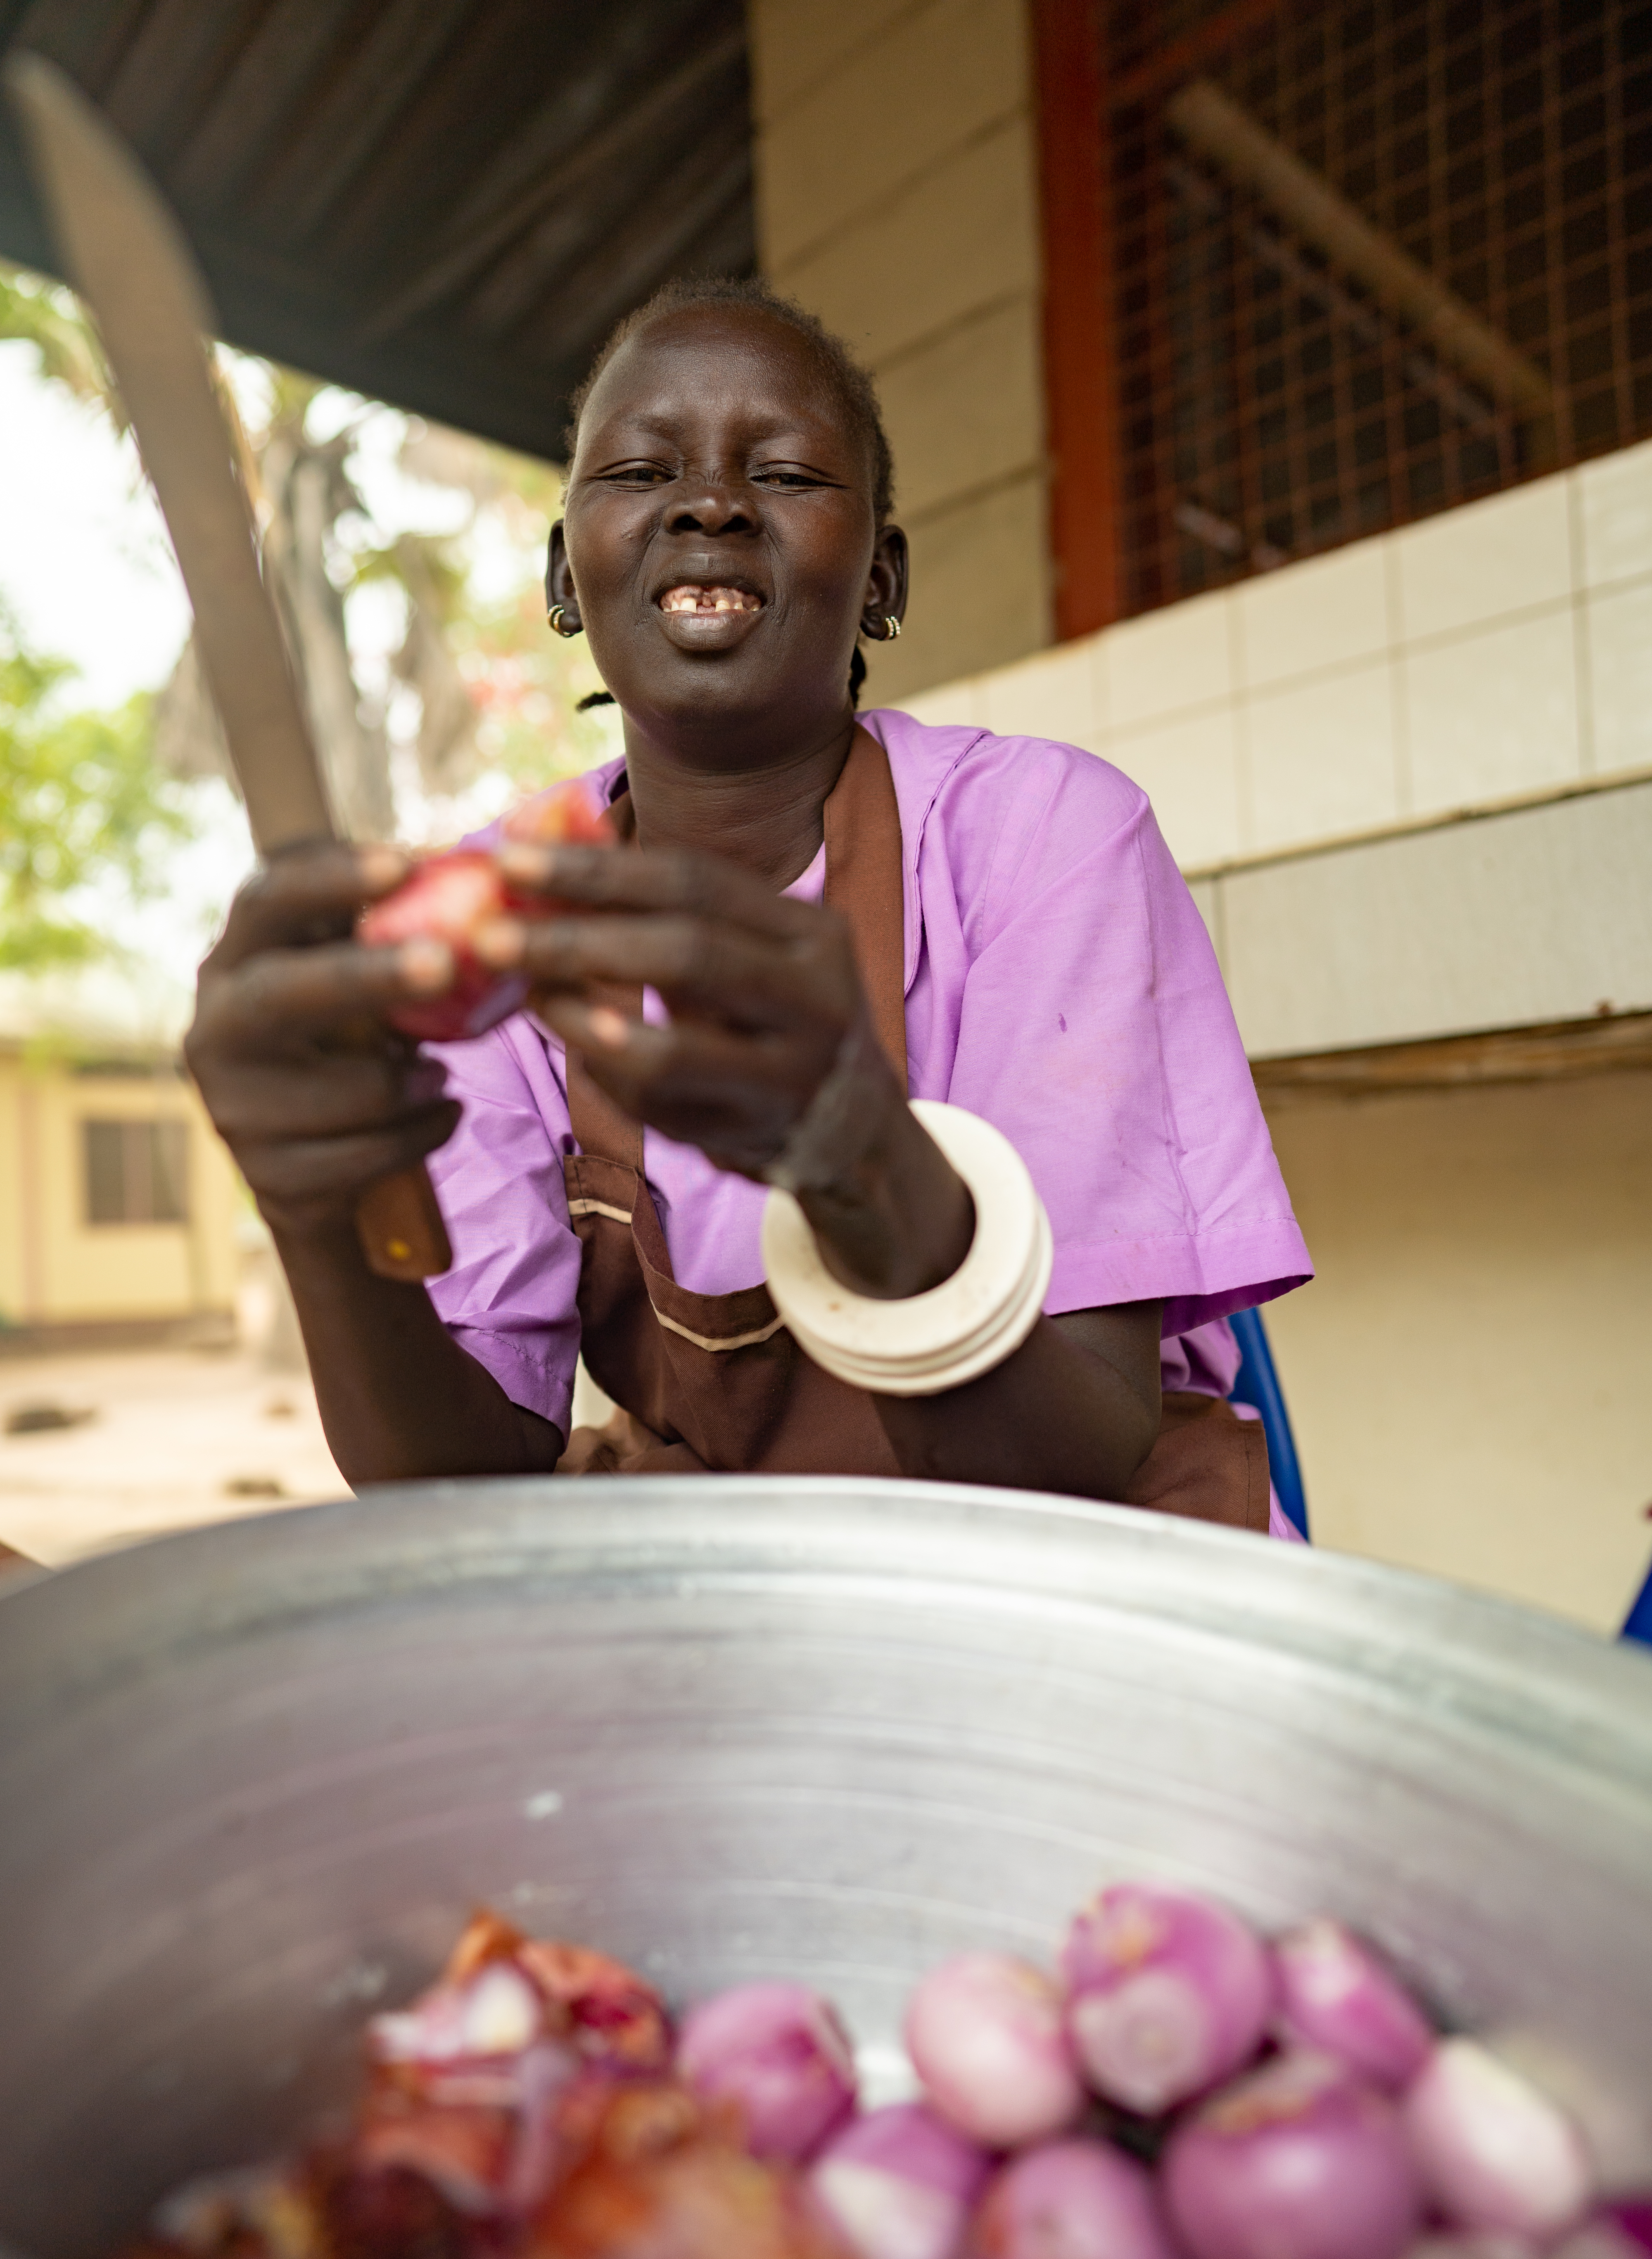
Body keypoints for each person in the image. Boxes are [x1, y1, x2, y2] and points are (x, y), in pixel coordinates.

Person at [185, 278, 1311, 1528]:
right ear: (569, 576)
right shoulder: (496, 924)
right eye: (636, 473)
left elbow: (1074, 1465)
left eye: (782, 475)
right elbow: (461, 1478)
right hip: (743, 1596)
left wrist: (862, 1164)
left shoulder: (1045, 840)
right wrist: (324, 1218)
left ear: (880, 577)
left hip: (1089, 1595)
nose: (709, 502)